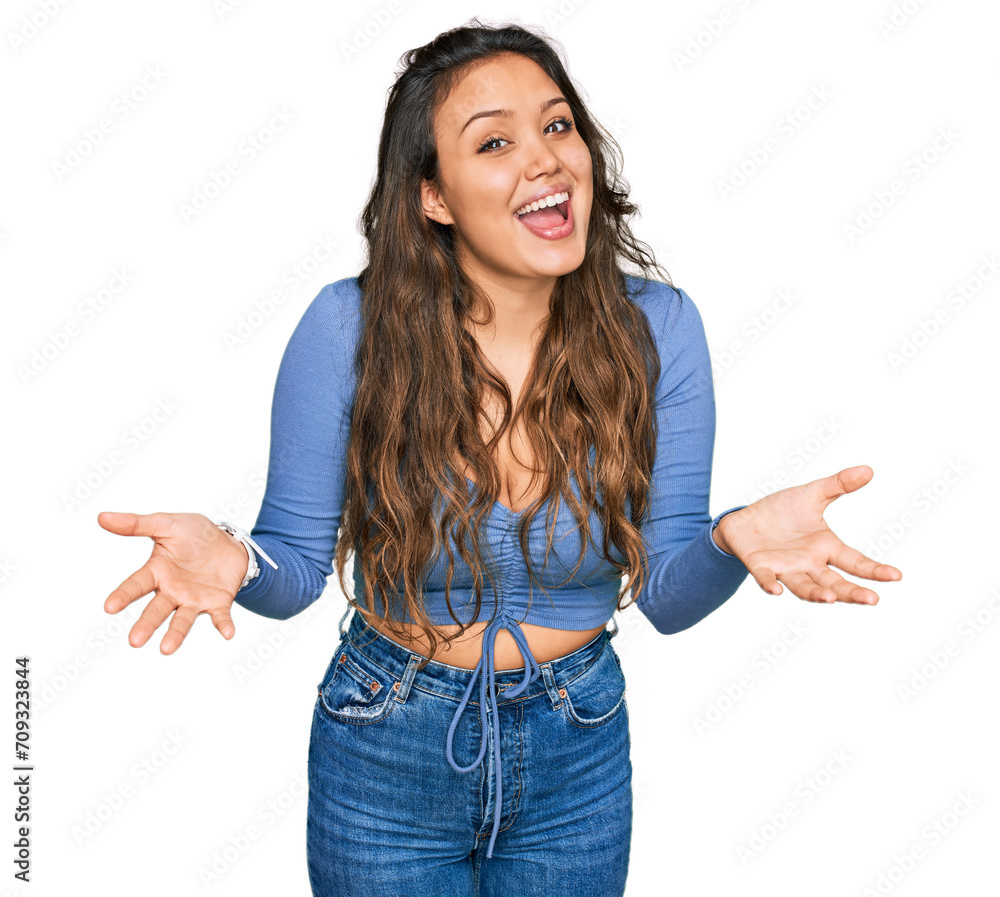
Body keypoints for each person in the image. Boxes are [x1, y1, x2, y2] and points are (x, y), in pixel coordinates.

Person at [98, 20, 902, 897]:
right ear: (433, 197)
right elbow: (290, 571)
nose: (547, 159)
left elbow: (667, 596)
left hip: (578, 746)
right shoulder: (347, 328)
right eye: (495, 142)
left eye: (558, 127)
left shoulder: (660, 330)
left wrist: (732, 540)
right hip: (386, 743)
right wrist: (235, 557)